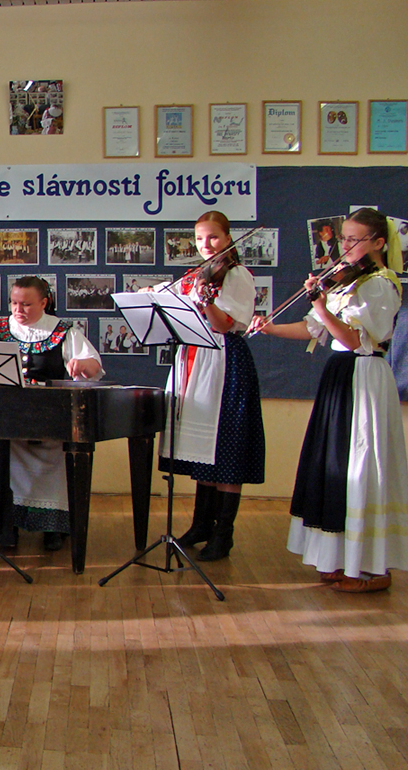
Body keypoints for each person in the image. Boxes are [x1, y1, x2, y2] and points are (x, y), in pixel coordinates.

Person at [251, 207, 408, 592]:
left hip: (365, 375)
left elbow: (357, 339)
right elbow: (313, 328)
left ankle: (373, 569)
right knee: (334, 463)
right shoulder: (345, 282)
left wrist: (320, 304)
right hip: (340, 375)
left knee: (362, 464)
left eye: (354, 240)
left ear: (379, 242)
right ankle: (340, 558)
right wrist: (269, 327)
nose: (345, 246)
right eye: (344, 239)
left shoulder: (380, 284)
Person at [151, 211, 265, 561]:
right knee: (203, 448)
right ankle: (201, 525)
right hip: (194, 359)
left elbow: (226, 323)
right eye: (200, 239)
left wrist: (205, 302)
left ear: (229, 237)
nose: (206, 245)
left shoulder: (238, 274)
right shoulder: (198, 274)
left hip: (223, 360)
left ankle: (223, 533)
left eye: (213, 237)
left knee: (226, 448)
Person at [0, 276, 103, 552]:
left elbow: (94, 367)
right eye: (14, 303)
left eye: (27, 304)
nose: (18, 310)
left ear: (44, 302)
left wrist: (83, 364)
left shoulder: (64, 332)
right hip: (4, 420)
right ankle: (4, 522)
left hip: (49, 420)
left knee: (55, 455)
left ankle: (53, 526)